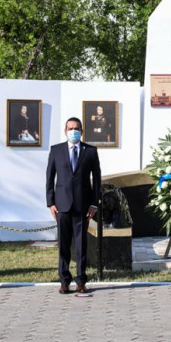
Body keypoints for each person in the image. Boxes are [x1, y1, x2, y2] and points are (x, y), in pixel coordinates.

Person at [45, 117, 101, 294]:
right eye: (70, 128)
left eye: (76, 128)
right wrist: (50, 202)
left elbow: (97, 180)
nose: (73, 131)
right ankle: (64, 281)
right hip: (62, 206)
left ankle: (81, 281)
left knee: (81, 245)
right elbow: (50, 177)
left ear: (81, 131)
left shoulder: (90, 151)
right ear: (65, 131)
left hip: (83, 206)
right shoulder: (56, 150)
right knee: (63, 245)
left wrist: (94, 204)